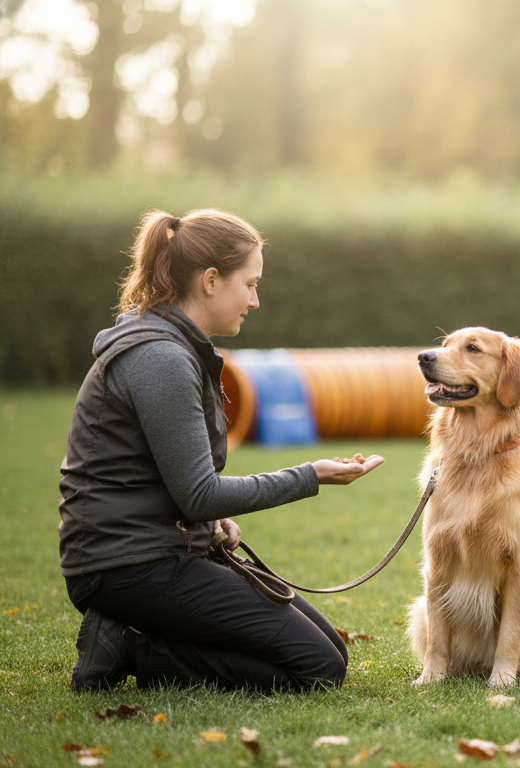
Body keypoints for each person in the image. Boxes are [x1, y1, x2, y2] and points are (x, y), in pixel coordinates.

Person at [59, 209, 385, 692]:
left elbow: (177, 487)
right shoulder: (161, 358)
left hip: (154, 552)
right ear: (211, 281)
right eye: (249, 284)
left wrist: (206, 522)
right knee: (318, 668)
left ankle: (132, 635)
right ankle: (124, 649)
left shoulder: (174, 347)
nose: (255, 300)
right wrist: (311, 476)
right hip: (124, 566)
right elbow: (198, 494)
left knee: (330, 651)